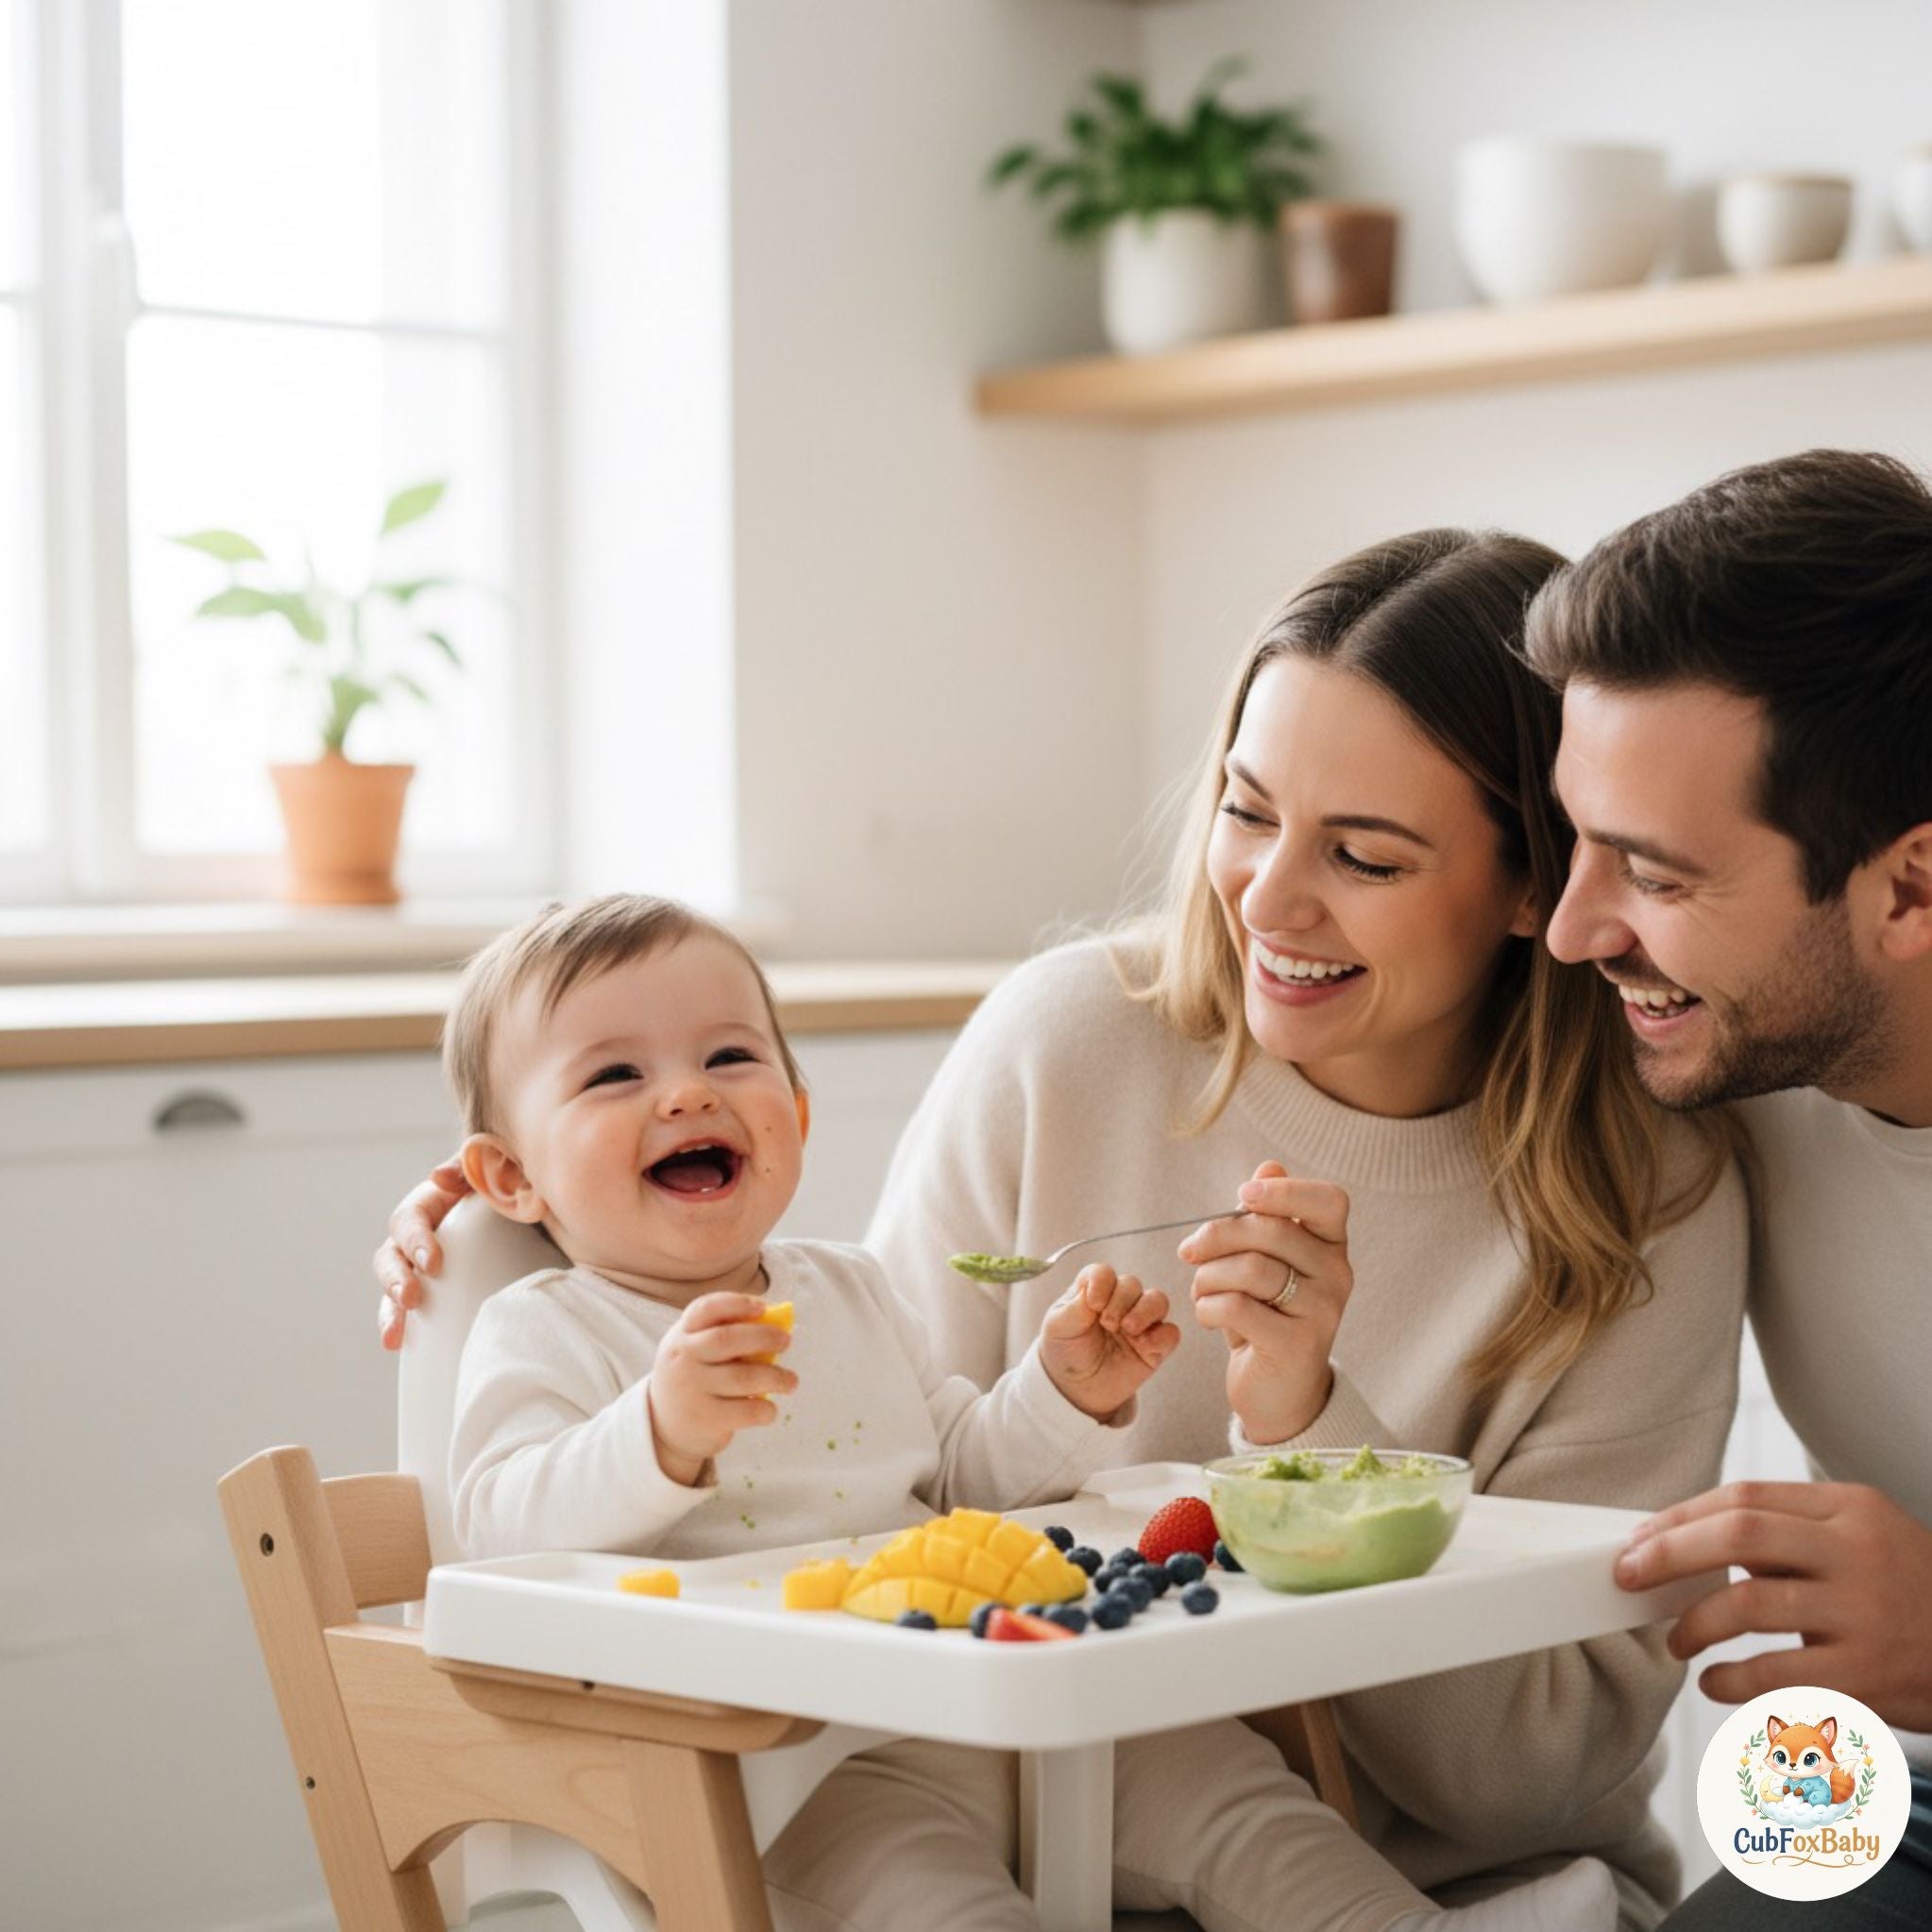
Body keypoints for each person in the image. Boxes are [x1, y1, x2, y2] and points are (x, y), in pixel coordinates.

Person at [378, 530, 1749, 1929]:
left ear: (1539, 889)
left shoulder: (1652, 1185)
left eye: (1365, 854)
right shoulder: (1069, 1043)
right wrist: (509, 1231)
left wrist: (1306, 1441)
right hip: (1014, 1839)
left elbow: (1528, 1777)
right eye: (1245, 808)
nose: (1267, 897)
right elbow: (897, 1489)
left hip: (1446, 1877)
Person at [439, 889, 1618, 1932]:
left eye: (731, 1057)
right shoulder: (547, 1328)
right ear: (510, 1177)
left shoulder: (846, 1290)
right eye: (613, 1076)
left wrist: (1061, 1394)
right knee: (945, 1906)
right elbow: (497, 1533)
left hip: (978, 1695)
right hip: (781, 1777)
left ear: (796, 1115)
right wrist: (659, 1434)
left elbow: (956, 1477)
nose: (687, 1092)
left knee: (1225, 1785)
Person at [1521, 448, 1932, 1929]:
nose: (1574, 929)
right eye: (1576, 839)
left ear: (1907, 888)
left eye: (1653, 874)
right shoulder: (1728, 1057)